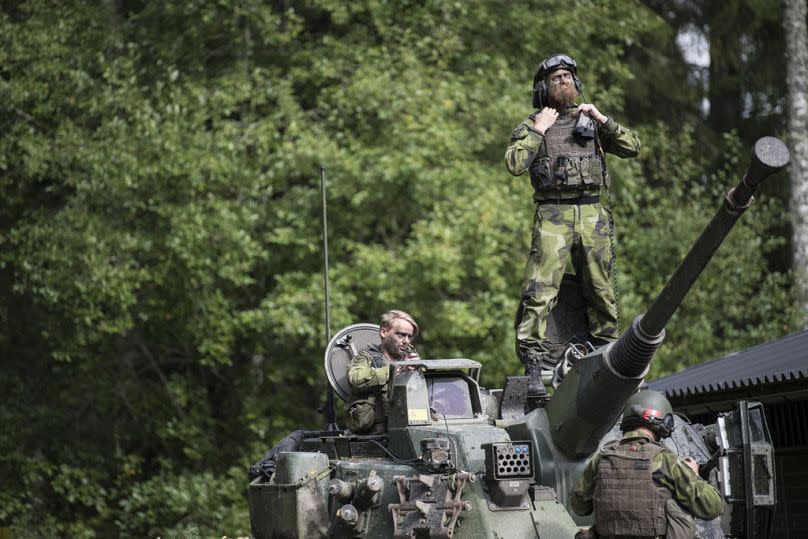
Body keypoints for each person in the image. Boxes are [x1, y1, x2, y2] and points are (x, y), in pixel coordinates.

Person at [505, 53, 642, 396]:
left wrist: (602, 118)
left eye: (567, 76)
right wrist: (540, 129)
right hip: (553, 214)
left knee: (601, 290)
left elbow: (632, 146)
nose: (563, 81)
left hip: (592, 212)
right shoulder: (533, 124)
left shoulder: (591, 122)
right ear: (544, 88)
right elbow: (515, 162)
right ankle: (535, 364)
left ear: (577, 84)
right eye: (555, 78)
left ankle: (606, 355)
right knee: (540, 290)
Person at [570, 390, 726, 539]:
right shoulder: (665, 461)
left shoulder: (602, 458)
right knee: (678, 504)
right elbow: (713, 506)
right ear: (663, 422)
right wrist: (694, 474)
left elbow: (579, 507)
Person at [345, 310, 420, 434]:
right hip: (376, 437)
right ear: (384, 332)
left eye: (409, 336)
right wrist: (397, 369)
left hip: (410, 431)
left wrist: (418, 370)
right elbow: (355, 379)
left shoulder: (411, 362)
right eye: (400, 335)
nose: (406, 341)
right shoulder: (366, 358)